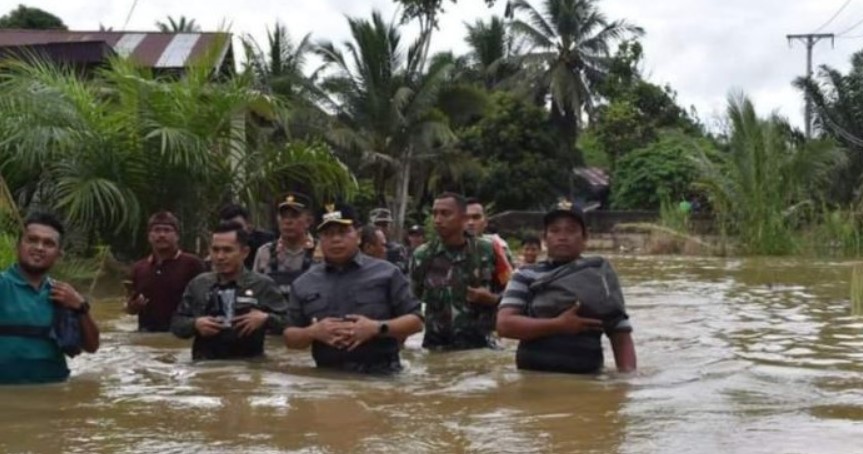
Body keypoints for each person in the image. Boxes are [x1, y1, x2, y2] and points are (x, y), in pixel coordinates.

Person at [496, 200, 637, 374]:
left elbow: (620, 333)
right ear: (545, 238)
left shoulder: (599, 277)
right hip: (533, 379)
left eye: (571, 230)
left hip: (587, 381)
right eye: (555, 230)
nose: (562, 236)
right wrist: (559, 325)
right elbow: (504, 325)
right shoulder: (525, 275)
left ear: (585, 237)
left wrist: (627, 380)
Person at [284, 203, 423, 373]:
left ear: (358, 236)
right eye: (328, 234)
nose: (336, 239)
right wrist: (312, 332)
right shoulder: (303, 283)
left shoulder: (388, 273)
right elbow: (289, 337)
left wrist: (376, 328)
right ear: (319, 240)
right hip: (325, 383)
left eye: (343, 232)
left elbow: (416, 322)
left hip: (384, 379)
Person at [0, 212, 99, 384]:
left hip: (54, 393)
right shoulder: (3, 284)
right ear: (19, 245)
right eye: (32, 240)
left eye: (48, 243)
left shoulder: (64, 294)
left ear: (59, 254)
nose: (39, 247)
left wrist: (81, 306)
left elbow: (92, 347)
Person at [171, 222, 287, 360]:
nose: (220, 257)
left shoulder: (262, 285)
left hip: (249, 367)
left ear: (245, 252)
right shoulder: (199, 284)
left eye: (227, 250)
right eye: (215, 250)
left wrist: (266, 318)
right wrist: (195, 324)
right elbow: (177, 324)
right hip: (204, 367)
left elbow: (290, 322)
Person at [410, 193, 510, 350]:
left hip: (481, 348)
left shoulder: (489, 250)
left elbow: (513, 296)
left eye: (445, 214)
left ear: (463, 219)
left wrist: (492, 299)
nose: (437, 220)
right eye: (435, 213)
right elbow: (412, 303)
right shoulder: (422, 256)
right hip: (436, 349)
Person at [125, 211, 206, 332]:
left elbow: (206, 301)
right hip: (146, 337)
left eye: (167, 230)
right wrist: (133, 306)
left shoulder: (193, 264)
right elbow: (129, 307)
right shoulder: (139, 268)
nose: (161, 235)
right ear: (149, 236)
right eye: (157, 230)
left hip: (181, 336)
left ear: (177, 236)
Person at [252, 194, 316, 298]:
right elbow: (255, 292)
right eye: (283, 216)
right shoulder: (264, 253)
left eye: (294, 216)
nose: (287, 221)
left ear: (308, 221)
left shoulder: (322, 251)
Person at [218, 203, 275, 270]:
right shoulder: (218, 252)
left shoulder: (266, 243)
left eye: (237, 228)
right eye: (226, 229)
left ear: (249, 227)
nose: (232, 233)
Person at [465, 198, 516, 268]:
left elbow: (508, 277)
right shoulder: (448, 248)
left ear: (485, 222)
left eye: (476, 217)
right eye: (465, 218)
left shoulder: (497, 247)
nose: (470, 222)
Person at [369, 207, 409, 273]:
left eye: (385, 225)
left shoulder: (397, 250)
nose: (381, 228)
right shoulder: (362, 248)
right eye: (378, 224)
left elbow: (401, 270)